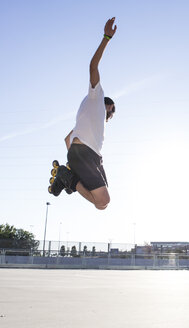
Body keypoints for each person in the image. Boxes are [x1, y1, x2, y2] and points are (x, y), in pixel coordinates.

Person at [50, 17, 117, 210]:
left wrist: (74, 156)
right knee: (103, 200)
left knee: (102, 204)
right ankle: (66, 176)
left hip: (92, 156)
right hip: (84, 154)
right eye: (111, 109)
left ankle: (68, 177)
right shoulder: (96, 97)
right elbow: (93, 66)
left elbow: (67, 139)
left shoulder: (91, 121)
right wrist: (106, 37)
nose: (110, 114)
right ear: (107, 105)